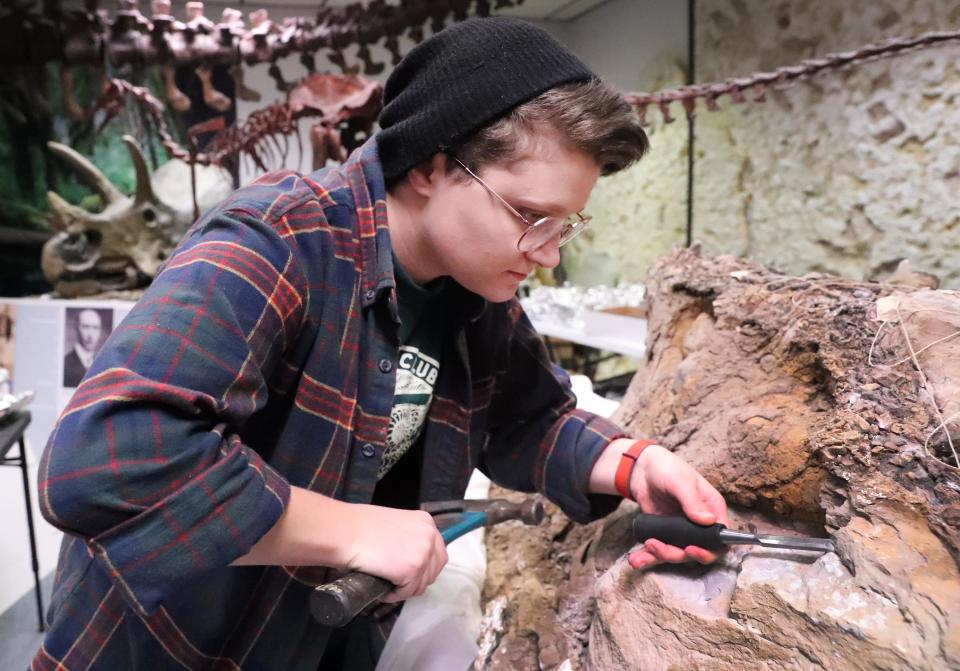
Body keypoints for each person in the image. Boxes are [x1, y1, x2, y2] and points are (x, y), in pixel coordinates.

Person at [33, 17, 728, 671]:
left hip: (316, 640)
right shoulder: (280, 240)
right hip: (167, 642)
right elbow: (100, 463)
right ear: (430, 166)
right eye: (528, 215)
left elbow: (531, 416)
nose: (544, 253)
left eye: (563, 224)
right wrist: (348, 530)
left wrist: (635, 464)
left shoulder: (474, 287)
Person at [62, 308, 103, 387]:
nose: (90, 335)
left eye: (95, 328)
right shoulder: (65, 364)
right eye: (85, 327)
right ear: (76, 328)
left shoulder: (103, 363)